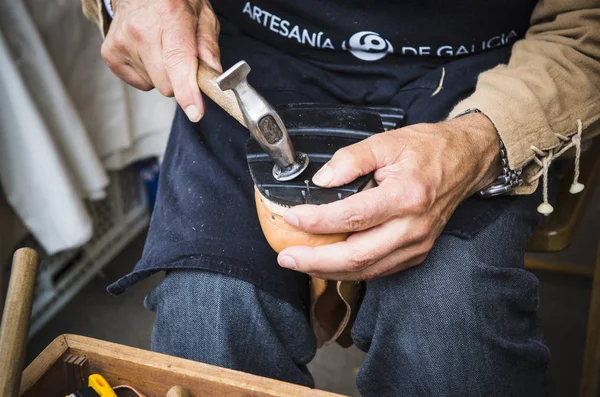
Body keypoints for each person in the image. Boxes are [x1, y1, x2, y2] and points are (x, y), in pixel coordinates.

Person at [82, 0, 600, 395]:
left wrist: (480, 142)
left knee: (449, 327)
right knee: (210, 320)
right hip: (248, 65)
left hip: (478, 81)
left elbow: (585, 28)